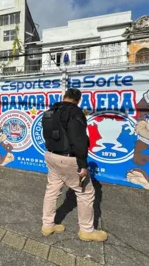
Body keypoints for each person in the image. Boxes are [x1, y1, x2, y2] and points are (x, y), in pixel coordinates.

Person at [41, 88, 108, 242]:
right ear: (78, 100)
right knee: (86, 193)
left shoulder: (50, 112)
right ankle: (86, 231)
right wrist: (83, 165)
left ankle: (47, 225)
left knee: (52, 191)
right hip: (69, 159)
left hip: (51, 156)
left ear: (64, 97)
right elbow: (79, 140)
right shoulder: (74, 112)